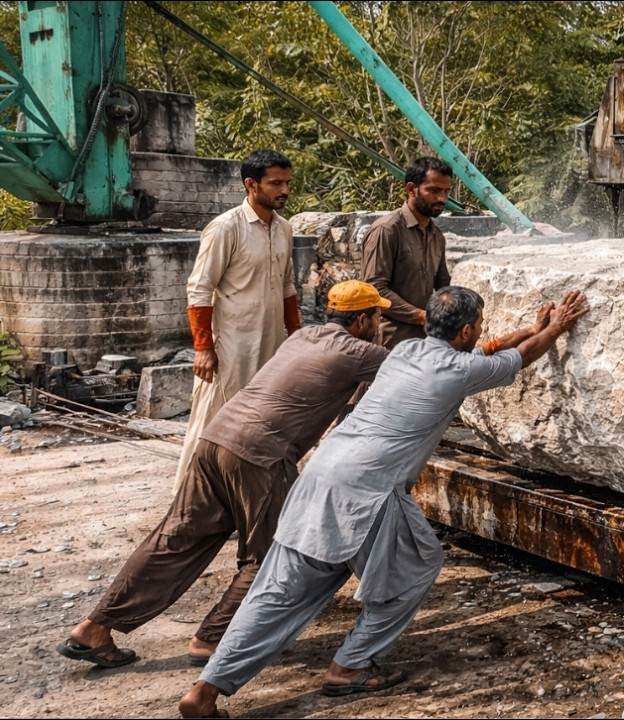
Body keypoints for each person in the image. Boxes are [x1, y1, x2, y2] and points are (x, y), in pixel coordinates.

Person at [179, 286, 590, 718]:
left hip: (321, 474)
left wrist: (532, 328)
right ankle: (350, 666)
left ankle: (205, 689)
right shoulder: (457, 371)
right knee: (417, 568)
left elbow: (490, 350)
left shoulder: (405, 350)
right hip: (368, 489)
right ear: (466, 329)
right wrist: (556, 327)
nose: (482, 332)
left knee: (277, 591)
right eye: (479, 326)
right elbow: (520, 357)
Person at [57, 281, 392, 670]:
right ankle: (213, 638)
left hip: (216, 438)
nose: (381, 324)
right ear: (364, 319)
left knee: (176, 537)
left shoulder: (304, 337)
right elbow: (422, 369)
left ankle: (95, 628)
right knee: (268, 556)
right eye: (379, 317)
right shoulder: (359, 351)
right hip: (260, 454)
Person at [175, 149, 301, 489]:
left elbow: (288, 285)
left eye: (287, 183)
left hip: (272, 343)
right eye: (276, 183)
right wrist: (203, 348)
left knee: (262, 423)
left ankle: (244, 499)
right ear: (251, 184)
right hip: (231, 345)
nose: (284, 190)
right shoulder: (225, 228)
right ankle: (188, 500)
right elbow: (200, 290)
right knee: (211, 425)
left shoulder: (285, 228)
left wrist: (297, 336)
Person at [362, 156, 454, 349]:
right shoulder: (387, 230)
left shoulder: (437, 236)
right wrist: (420, 316)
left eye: (446, 192)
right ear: (412, 189)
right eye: (434, 190)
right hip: (388, 342)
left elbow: (443, 284)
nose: (442, 199)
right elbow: (374, 289)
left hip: (423, 342)